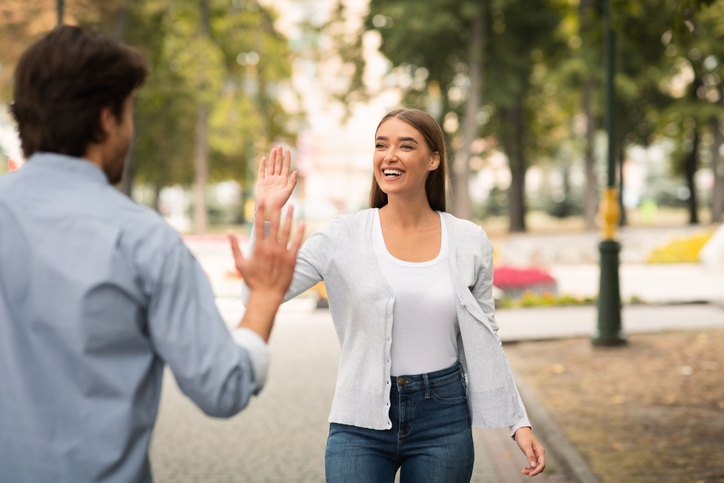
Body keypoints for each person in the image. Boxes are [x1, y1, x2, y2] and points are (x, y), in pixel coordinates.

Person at [0, 25, 303, 483]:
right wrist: (262, 298)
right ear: (106, 119)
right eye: (129, 113)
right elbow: (222, 387)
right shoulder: (145, 241)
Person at [246, 109, 546, 482]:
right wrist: (265, 215)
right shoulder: (342, 236)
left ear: (433, 159)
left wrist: (519, 422)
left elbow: (484, 339)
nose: (390, 155)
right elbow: (258, 292)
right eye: (381, 145)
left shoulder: (470, 242)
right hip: (359, 421)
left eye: (406, 146)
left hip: (444, 419)